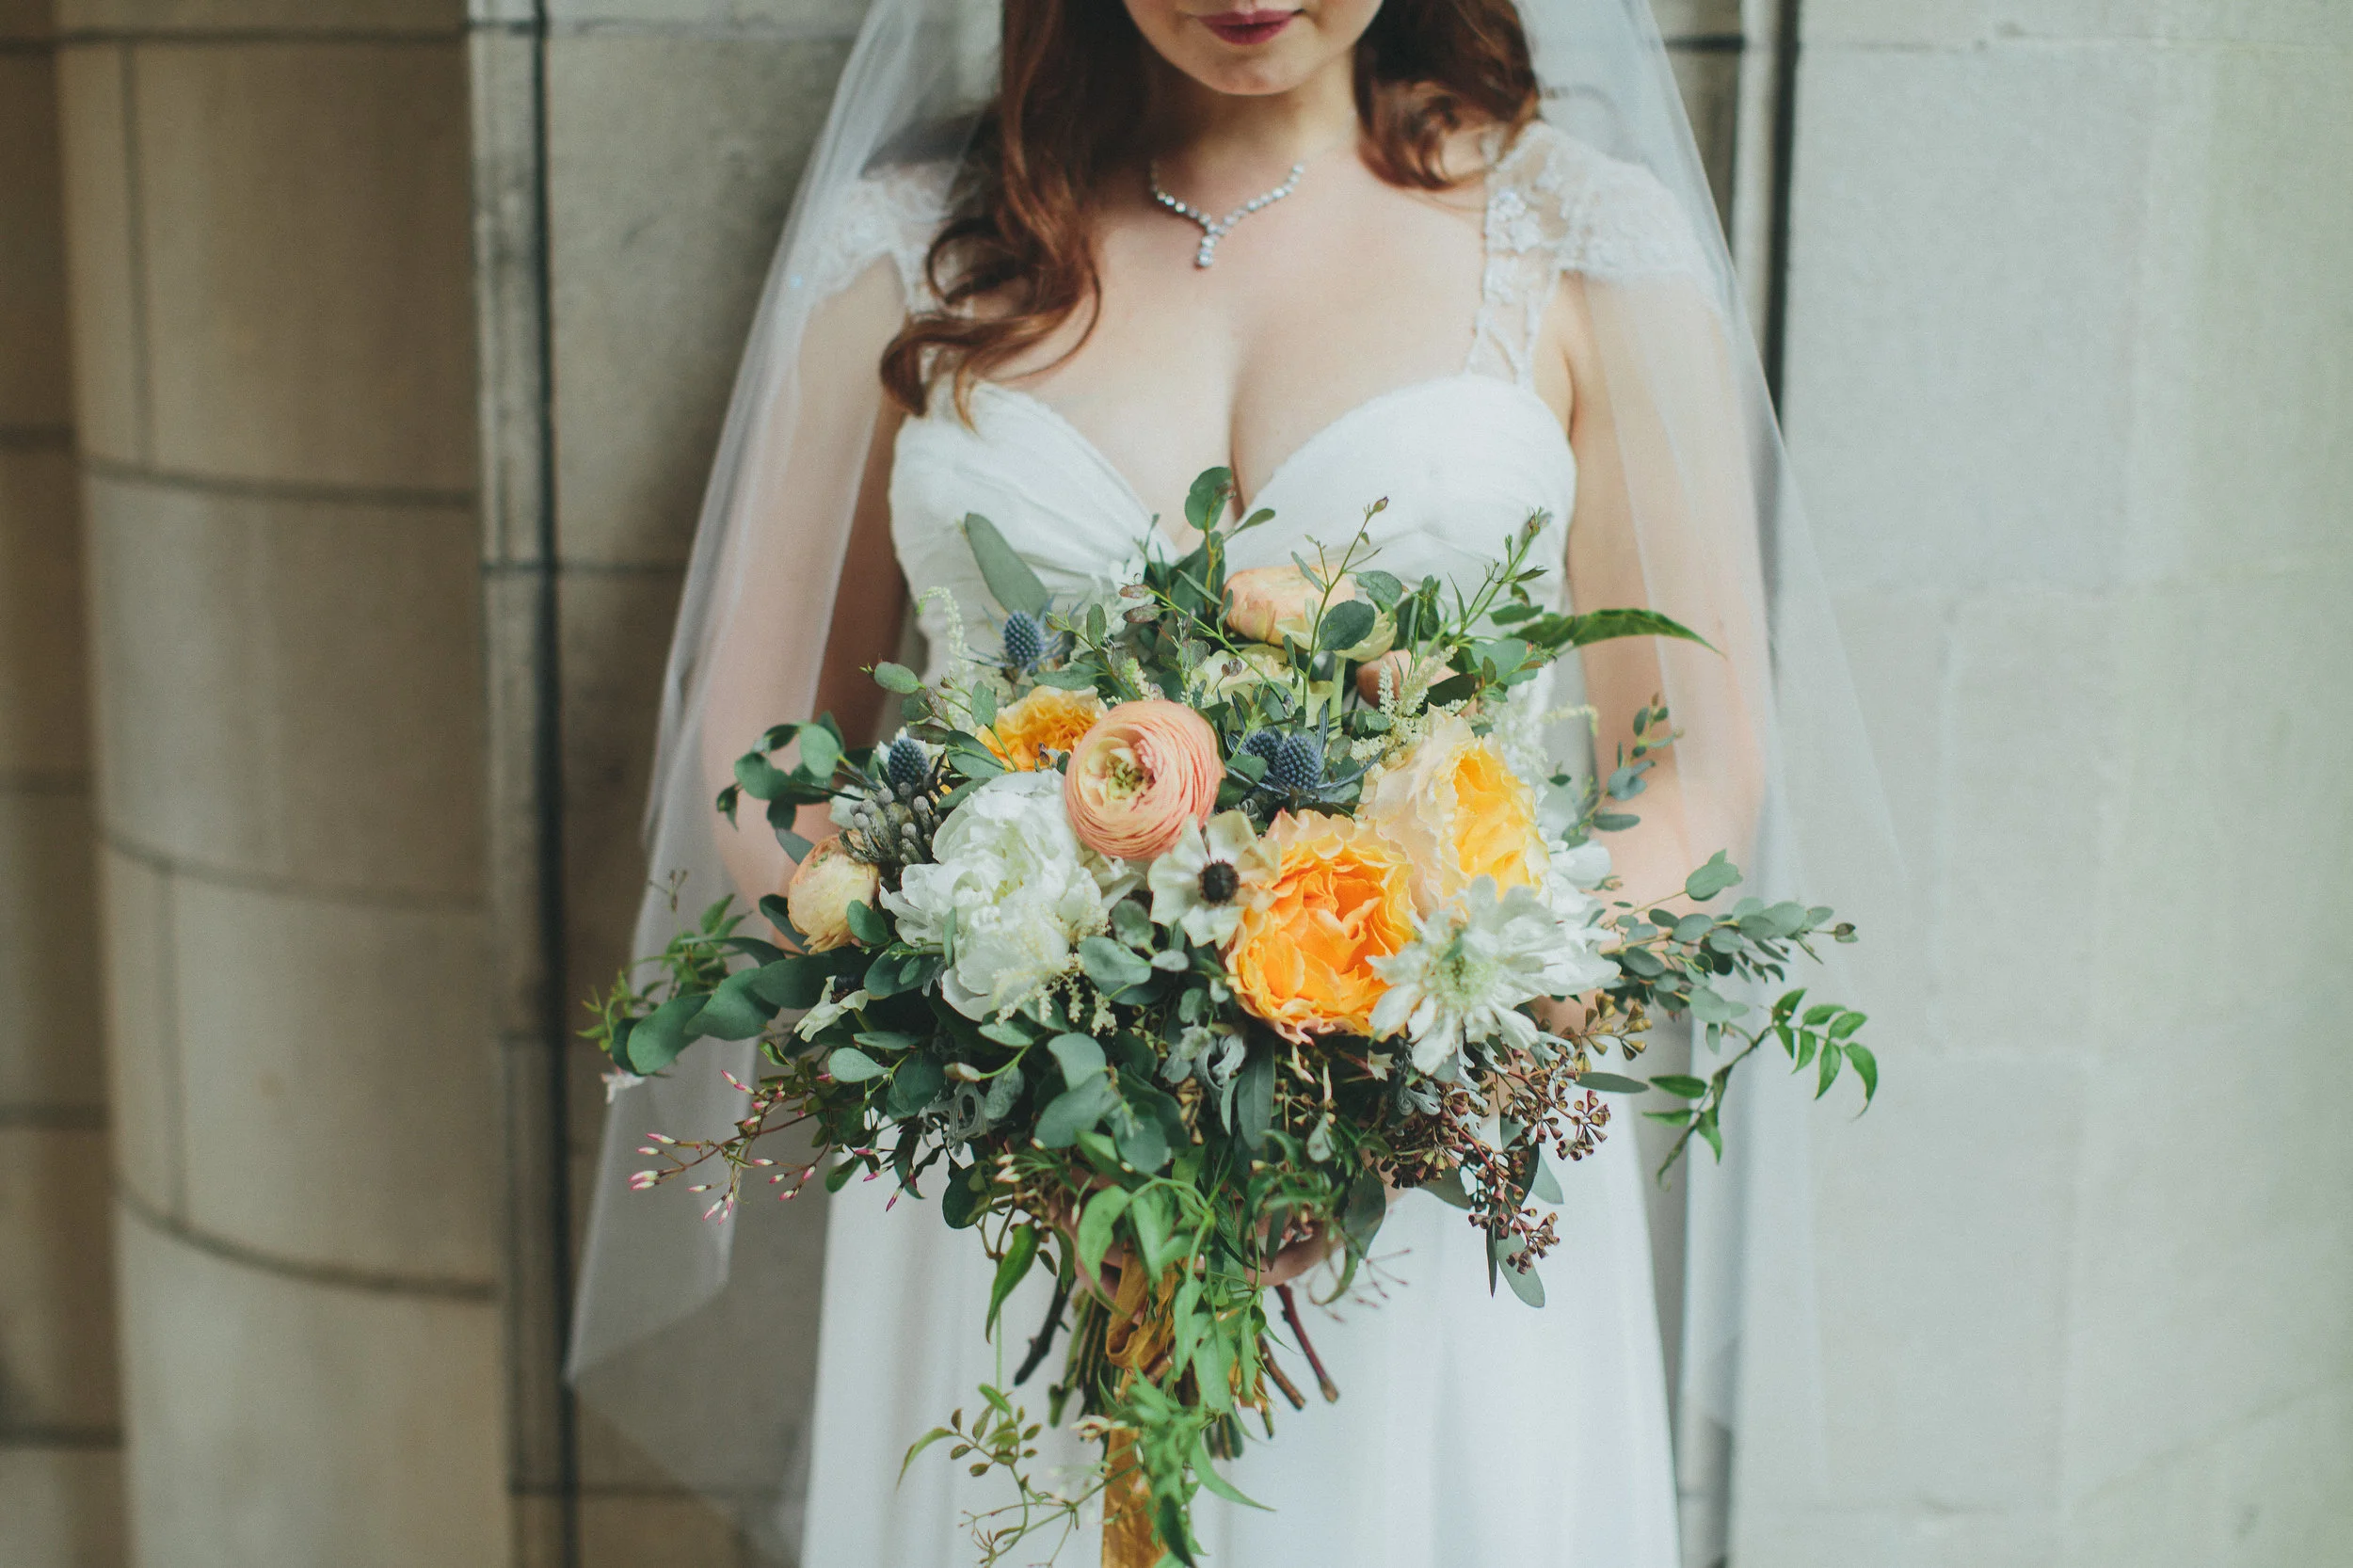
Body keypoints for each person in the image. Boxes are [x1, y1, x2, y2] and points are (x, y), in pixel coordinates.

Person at [572, 4, 1892, 1564]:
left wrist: (1442, 1039)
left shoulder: (1583, 241)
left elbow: (1700, 767)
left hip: (1431, 1182)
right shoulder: (911, 250)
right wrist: (958, 1007)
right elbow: (759, 752)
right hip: (1026, 1187)